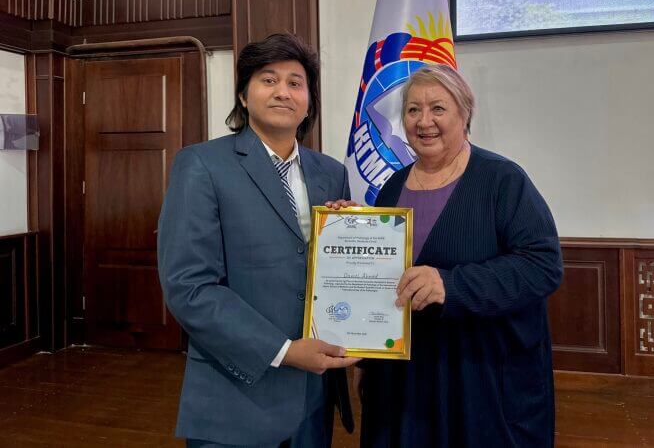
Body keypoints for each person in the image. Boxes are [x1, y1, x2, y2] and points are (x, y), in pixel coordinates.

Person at [157, 33, 358, 448]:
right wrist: (283, 350)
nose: (283, 91)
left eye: (295, 83)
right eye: (268, 80)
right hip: (236, 398)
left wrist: (352, 232)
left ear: (308, 102)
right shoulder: (201, 164)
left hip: (314, 398)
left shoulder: (331, 173)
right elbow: (189, 287)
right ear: (244, 97)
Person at [358, 64, 563, 448]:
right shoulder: (392, 187)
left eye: (438, 108)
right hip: (404, 381)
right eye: (413, 110)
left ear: (464, 113)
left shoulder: (502, 179)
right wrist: (343, 227)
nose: (424, 121)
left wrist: (450, 285)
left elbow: (543, 265)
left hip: (481, 377)